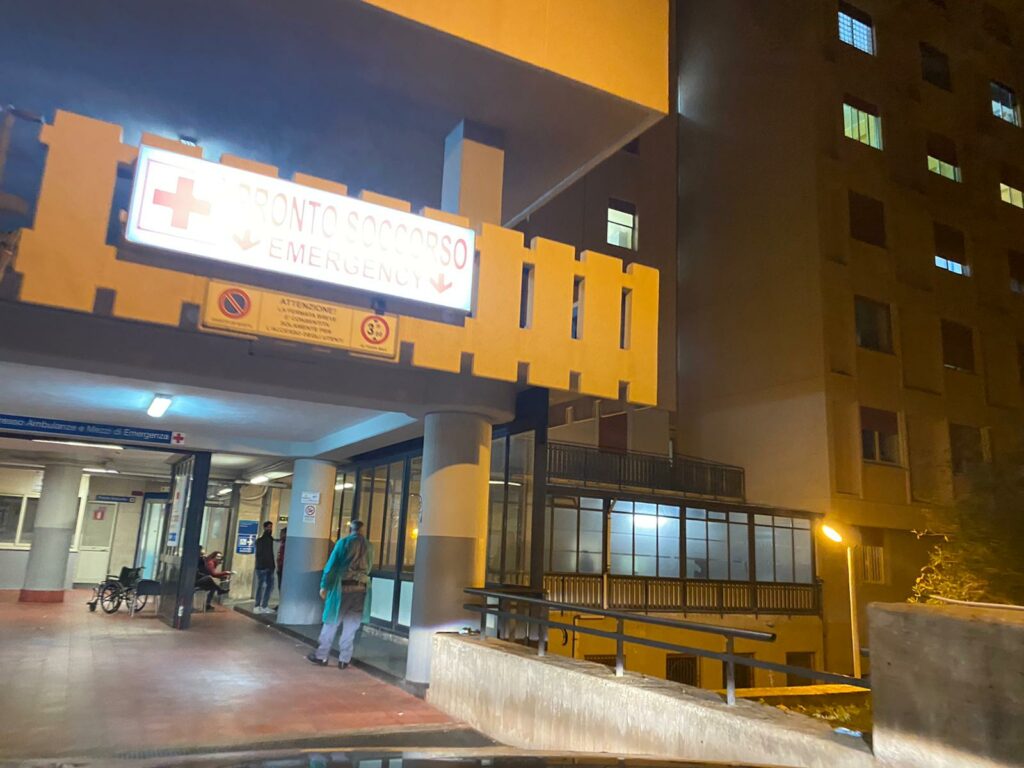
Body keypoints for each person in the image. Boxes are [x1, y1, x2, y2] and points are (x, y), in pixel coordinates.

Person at [307, 519, 371, 669]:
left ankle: (322, 656)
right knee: (351, 626)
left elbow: (331, 566)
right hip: (361, 589)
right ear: (363, 530)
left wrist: (324, 585)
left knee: (331, 622)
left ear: (350, 530)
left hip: (342, 589)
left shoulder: (343, 543)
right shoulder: (369, 546)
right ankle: (344, 659)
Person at [254, 520, 275, 613]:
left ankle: (262, 605)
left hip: (266, 567)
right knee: (263, 586)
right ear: (265, 528)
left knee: (266, 586)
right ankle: (259, 605)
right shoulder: (264, 540)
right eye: (269, 527)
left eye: (271, 527)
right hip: (264, 567)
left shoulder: (268, 540)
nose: (270, 529)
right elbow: (261, 555)